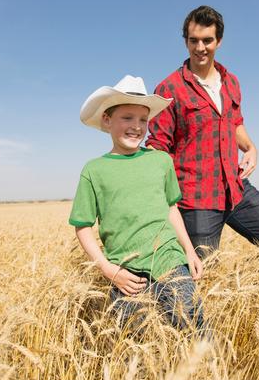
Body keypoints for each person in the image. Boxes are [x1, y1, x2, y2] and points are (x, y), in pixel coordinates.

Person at [145, 5, 259, 263]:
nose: (200, 47)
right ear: (185, 42)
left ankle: (248, 292)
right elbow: (158, 144)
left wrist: (250, 147)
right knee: (206, 276)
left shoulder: (231, 82)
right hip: (196, 199)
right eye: (193, 40)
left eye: (207, 40)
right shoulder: (169, 87)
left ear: (218, 41)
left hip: (236, 188)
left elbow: (233, 121)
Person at [69, 75, 205, 334]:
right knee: (136, 350)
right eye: (127, 118)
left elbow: (171, 208)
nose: (137, 126)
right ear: (107, 121)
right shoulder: (94, 170)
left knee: (194, 333)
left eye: (143, 119)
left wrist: (188, 250)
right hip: (125, 273)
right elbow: (83, 226)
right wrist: (108, 269)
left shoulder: (161, 160)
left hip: (170, 262)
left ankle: (203, 375)